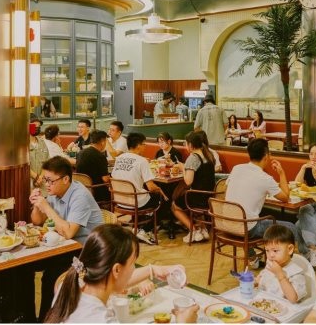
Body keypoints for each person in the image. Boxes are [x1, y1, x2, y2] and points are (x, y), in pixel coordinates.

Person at [45, 224, 198, 323]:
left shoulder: (71, 284)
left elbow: (118, 281)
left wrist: (153, 270)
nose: (133, 268)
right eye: (132, 263)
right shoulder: (101, 319)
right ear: (117, 270)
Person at [30, 156, 104, 320]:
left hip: (88, 253)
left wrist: (46, 207)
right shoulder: (56, 191)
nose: (46, 184)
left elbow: (69, 232)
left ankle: (50, 319)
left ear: (65, 179)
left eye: (50, 181)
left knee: (52, 275)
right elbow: (37, 221)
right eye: (45, 180)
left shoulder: (80, 196)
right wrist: (37, 204)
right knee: (27, 267)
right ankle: (31, 318)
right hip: (67, 247)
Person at [225, 138, 296, 268]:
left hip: (225, 224)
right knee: (291, 227)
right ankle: (295, 263)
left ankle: (253, 258)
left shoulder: (236, 168)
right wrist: (281, 173)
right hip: (247, 229)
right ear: (266, 156)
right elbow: (286, 197)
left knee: (247, 217)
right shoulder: (265, 178)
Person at [111, 132, 169, 245]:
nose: (145, 146)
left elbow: (113, 177)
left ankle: (139, 226)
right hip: (136, 201)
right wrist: (160, 190)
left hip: (119, 201)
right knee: (165, 200)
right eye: (144, 144)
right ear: (138, 145)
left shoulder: (119, 158)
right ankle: (144, 229)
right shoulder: (142, 161)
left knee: (151, 196)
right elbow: (151, 187)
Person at [171, 131, 215, 243]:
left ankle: (194, 230)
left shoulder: (193, 158)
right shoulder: (209, 155)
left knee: (174, 206)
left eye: (185, 143)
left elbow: (188, 181)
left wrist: (183, 168)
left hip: (197, 197)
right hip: (209, 196)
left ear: (190, 144)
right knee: (195, 206)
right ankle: (203, 230)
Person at [255, 225, 309, 303]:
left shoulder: (296, 273)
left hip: (287, 308)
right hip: (266, 305)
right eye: (267, 250)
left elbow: (293, 299)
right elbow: (262, 281)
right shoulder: (270, 266)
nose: (271, 255)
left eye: (275, 251)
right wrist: (255, 282)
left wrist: (281, 276)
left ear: (290, 249)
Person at [75, 130, 111, 203]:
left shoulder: (80, 153)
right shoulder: (100, 156)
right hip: (97, 191)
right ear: (102, 141)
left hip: (82, 190)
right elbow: (105, 179)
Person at [29, 121, 50, 189]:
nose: (37, 128)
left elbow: (47, 162)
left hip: (42, 181)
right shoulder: (22, 143)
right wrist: (36, 177)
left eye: (39, 126)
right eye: (35, 126)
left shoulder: (42, 142)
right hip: (28, 181)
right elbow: (23, 166)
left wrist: (40, 177)